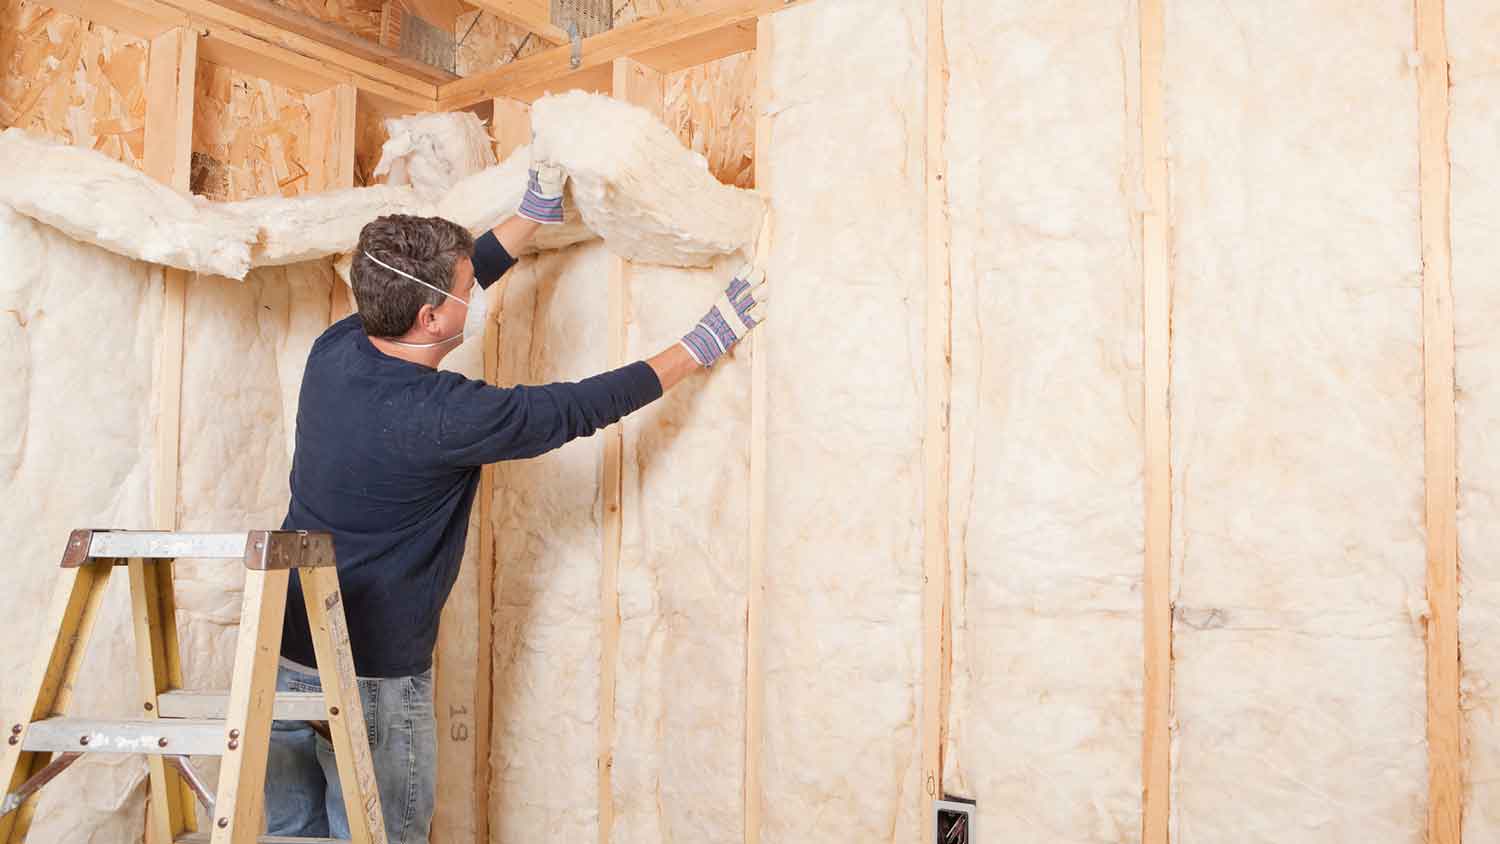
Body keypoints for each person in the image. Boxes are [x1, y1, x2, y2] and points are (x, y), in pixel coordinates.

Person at [264, 154, 766, 842]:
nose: (476, 292)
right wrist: (699, 345)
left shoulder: (338, 348)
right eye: (466, 289)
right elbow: (580, 406)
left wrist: (530, 216)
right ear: (432, 316)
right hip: (371, 682)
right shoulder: (449, 417)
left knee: (284, 835)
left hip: (285, 652)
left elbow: (435, 289)